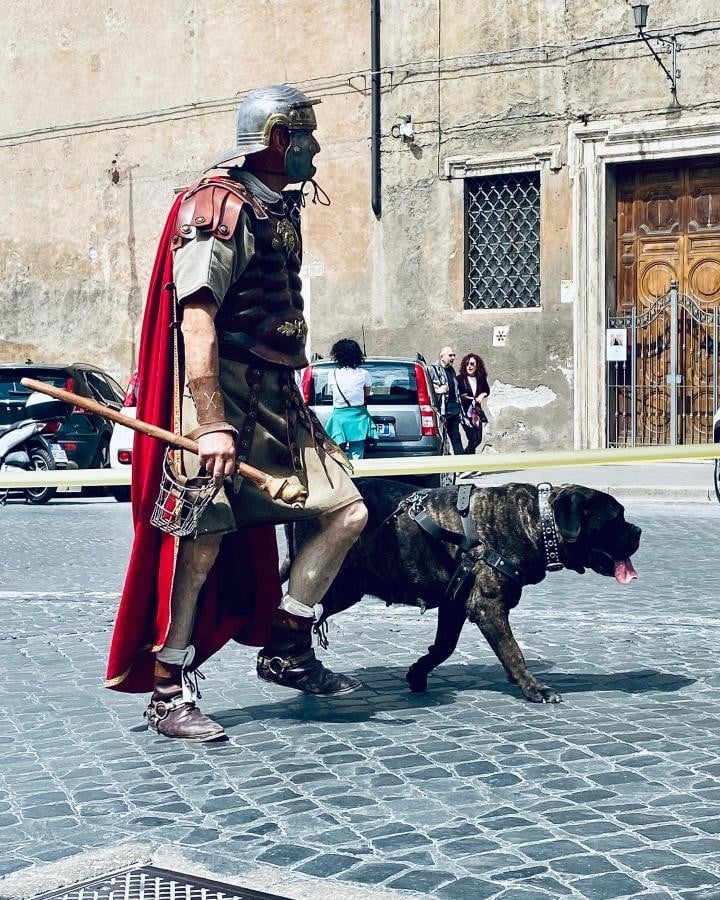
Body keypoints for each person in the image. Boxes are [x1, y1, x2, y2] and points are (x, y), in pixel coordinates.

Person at [105, 84, 368, 742]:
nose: (314, 147)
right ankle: (167, 688)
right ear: (278, 139)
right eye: (305, 134)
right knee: (201, 542)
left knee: (348, 510)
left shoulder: (278, 206)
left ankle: (287, 641)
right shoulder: (216, 207)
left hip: (279, 399)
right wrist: (212, 422)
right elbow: (197, 320)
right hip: (221, 399)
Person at [324, 339, 375, 460]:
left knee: (337, 449)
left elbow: (332, 392)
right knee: (357, 448)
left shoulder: (333, 374)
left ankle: (341, 475)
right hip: (358, 415)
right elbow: (366, 394)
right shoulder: (364, 373)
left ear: (337, 355)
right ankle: (356, 476)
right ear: (358, 355)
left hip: (339, 416)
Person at [429, 346, 464, 455]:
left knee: (456, 439)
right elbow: (426, 388)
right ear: (442, 356)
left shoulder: (451, 370)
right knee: (442, 442)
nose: (453, 357)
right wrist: (438, 391)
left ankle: (463, 466)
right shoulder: (432, 369)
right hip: (442, 412)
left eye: (454, 355)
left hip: (453, 411)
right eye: (450, 355)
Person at [457, 352, 490, 454]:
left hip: (477, 413)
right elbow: (456, 394)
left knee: (478, 439)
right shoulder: (460, 379)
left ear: (477, 366)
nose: (469, 367)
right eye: (467, 364)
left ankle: (464, 456)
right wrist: (465, 397)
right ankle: (470, 464)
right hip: (465, 413)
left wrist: (482, 395)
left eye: (472, 364)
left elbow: (487, 390)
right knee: (472, 438)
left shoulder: (481, 378)